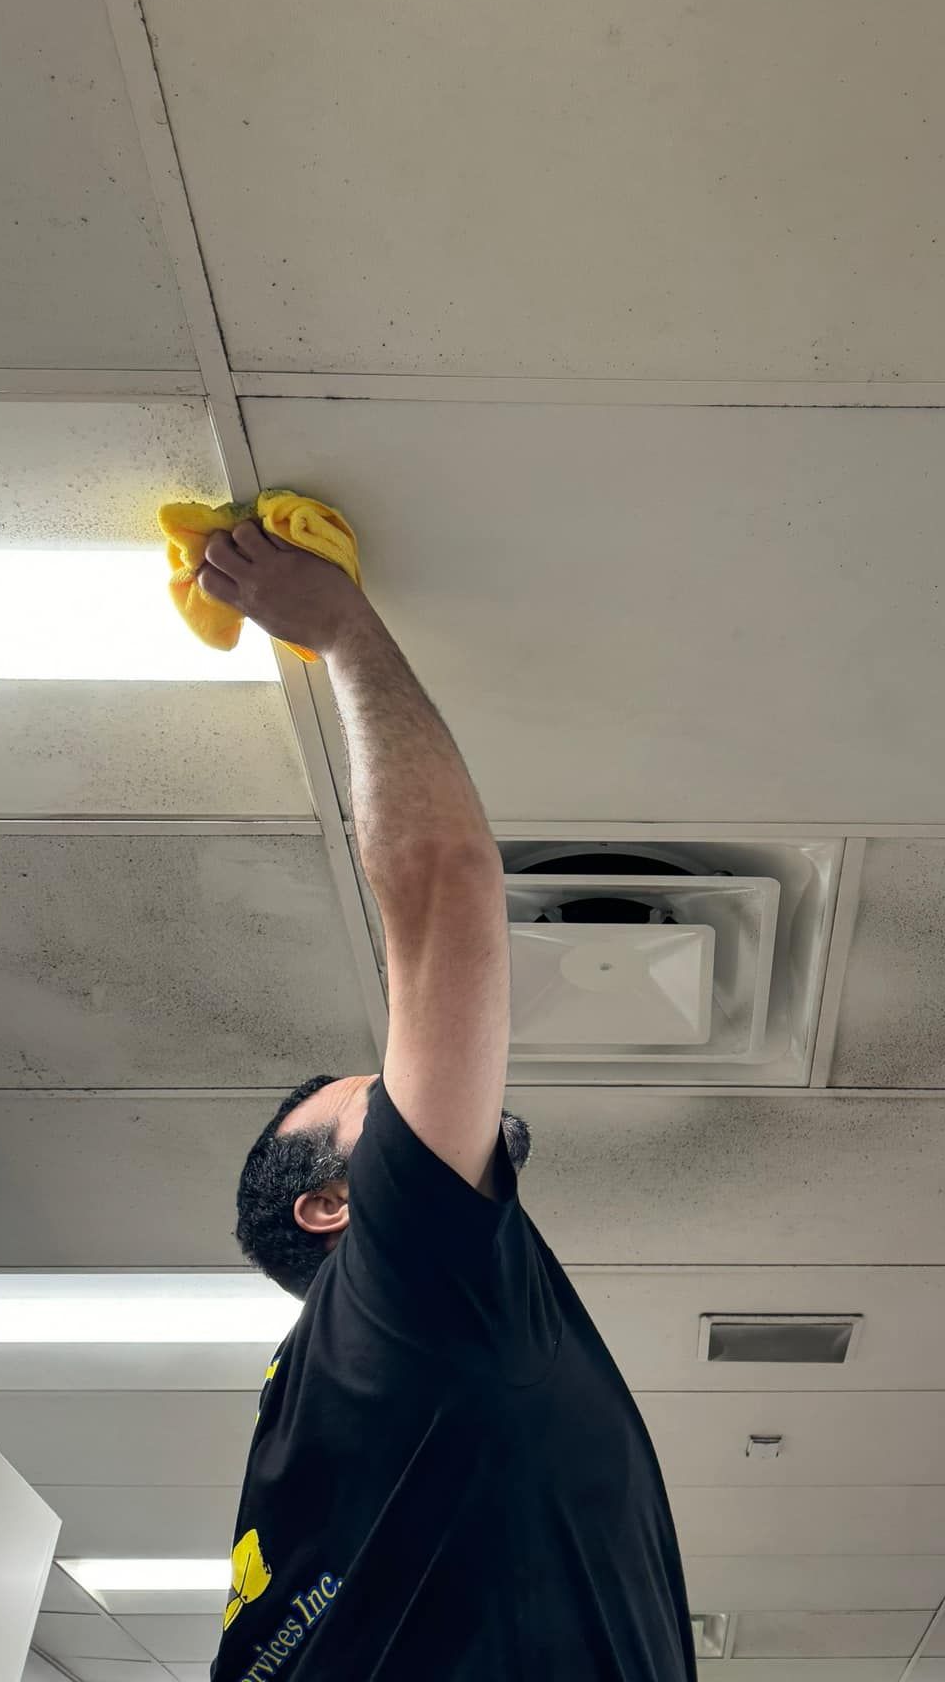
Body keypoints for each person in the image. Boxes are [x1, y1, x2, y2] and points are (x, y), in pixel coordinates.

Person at [197, 520, 696, 1681]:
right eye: (380, 1098)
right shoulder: (404, 1296)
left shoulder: (385, 1338)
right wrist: (338, 628)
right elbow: (440, 882)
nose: (419, 1084)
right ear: (339, 1203)